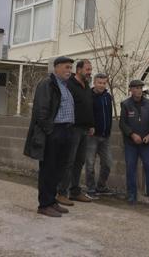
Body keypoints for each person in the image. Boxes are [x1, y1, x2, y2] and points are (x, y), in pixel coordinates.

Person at [23, 56, 75, 218]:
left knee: (58, 170)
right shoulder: (47, 84)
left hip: (65, 131)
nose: (69, 71)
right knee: (48, 169)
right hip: (53, 132)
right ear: (56, 68)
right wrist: (50, 131)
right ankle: (44, 204)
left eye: (70, 68)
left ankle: (52, 201)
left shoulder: (64, 86)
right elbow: (41, 111)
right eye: (66, 67)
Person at [56, 59, 95, 205]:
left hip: (85, 129)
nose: (90, 72)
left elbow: (88, 106)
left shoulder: (86, 85)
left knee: (80, 161)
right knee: (69, 161)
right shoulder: (69, 84)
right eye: (87, 69)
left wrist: (91, 124)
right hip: (73, 129)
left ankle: (74, 191)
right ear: (78, 70)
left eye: (90, 70)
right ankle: (61, 193)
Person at [119, 79, 149, 204]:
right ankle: (131, 194)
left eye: (141, 88)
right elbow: (122, 124)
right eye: (136, 88)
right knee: (131, 167)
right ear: (131, 90)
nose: (139, 90)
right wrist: (132, 134)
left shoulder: (148, 103)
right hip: (131, 143)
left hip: (145, 143)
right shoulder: (125, 104)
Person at [84, 73, 114, 197]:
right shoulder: (89, 96)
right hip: (92, 136)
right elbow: (86, 113)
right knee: (90, 163)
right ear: (94, 83)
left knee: (107, 163)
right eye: (99, 83)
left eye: (103, 83)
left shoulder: (108, 97)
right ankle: (90, 188)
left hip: (105, 136)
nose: (101, 85)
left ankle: (101, 186)